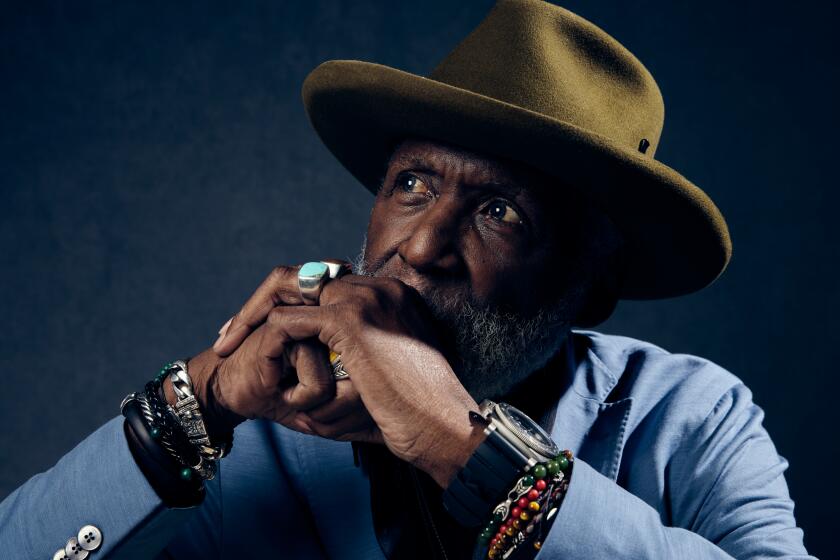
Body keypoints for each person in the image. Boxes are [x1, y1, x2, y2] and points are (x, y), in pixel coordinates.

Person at [0, 1, 813, 558]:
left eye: (502, 212)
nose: (421, 249)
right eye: (413, 184)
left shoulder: (692, 415)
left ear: (589, 289)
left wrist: (465, 447)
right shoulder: (271, 421)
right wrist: (199, 400)